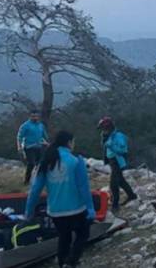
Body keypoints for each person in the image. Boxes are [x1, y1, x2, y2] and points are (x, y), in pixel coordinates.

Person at [25, 130, 94, 268]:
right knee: (83, 234)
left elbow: (35, 190)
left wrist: (29, 211)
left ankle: (63, 263)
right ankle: (71, 261)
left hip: (55, 211)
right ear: (69, 143)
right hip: (76, 209)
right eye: (73, 142)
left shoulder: (46, 160)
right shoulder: (76, 159)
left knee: (64, 238)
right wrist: (90, 208)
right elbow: (83, 187)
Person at [98, 117, 137, 210]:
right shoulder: (107, 137)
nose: (103, 131)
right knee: (120, 180)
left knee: (114, 183)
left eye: (104, 129)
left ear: (109, 128)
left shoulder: (118, 136)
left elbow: (123, 150)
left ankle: (115, 204)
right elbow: (104, 147)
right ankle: (131, 195)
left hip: (117, 161)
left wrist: (111, 146)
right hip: (112, 161)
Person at [16, 110, 49, 184]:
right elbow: (19, 137)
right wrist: (19, 147)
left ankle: (39, 180)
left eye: (36, 116)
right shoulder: (25, 126)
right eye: (33, 116)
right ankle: (27, 180)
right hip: (29, 147)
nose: (35, 118)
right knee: (31, 163)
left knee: (40, 164)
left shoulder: (41, 125)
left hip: (39, 147)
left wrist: (47, 143)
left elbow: (45, 136)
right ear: (30, 116)